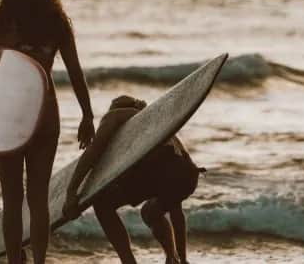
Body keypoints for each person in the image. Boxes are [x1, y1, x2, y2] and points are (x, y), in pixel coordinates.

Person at [0, 0, 95, 264]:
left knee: (11, 200)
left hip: (8, 117)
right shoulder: (56, 23)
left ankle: (14, 262)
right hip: (45, 116)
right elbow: (76, 72)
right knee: (38, 199)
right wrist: (88, 115)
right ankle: (40, 262)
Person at [63, 95, 201, 264]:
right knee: (150, 212)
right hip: (188, 175)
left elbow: (93, 151)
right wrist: (184, 258)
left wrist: (71, 191)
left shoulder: (117, 116)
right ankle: (174, 258)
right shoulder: (163, 127)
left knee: (102, 203)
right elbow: (176, 207)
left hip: (161, 169)